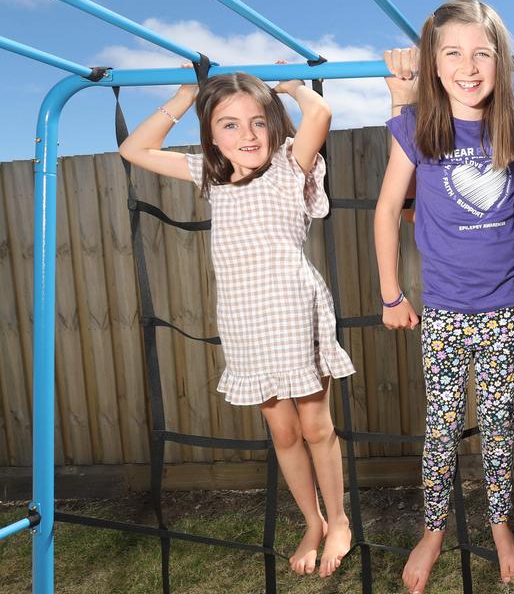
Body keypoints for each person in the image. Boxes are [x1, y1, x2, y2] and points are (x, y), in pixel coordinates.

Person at [372, 0, 514, 594]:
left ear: (501, 62)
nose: (469, 65)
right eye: (453, 53)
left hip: (502, 310)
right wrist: (390, 294)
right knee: (439, 427)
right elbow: (388, 210)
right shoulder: (417, 127)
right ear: (434, 65)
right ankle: (433, 529)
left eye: (482, 53)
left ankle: (499, 525)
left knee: (496, 425)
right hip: (441, 309)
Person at [119, 67, 356, 578]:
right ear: (210, 135)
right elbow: (134, 150)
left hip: (295, 310)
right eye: (228, 125)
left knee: (316, 425)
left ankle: (339, 520)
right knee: (283, 431)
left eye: (257, 122)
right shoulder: (209, 175)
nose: (246, 135)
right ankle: (311, 521)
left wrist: (291, 87)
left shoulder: (291, 166)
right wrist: (185, 95)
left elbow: (321, 113)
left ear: (274, 125)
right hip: (245, 319)